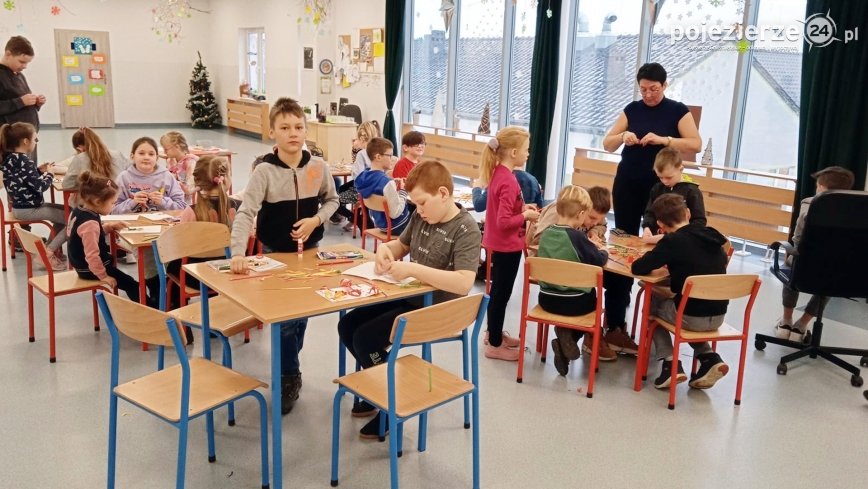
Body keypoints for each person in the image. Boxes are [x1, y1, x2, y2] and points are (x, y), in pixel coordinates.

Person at [336, 160, 481, 438]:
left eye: (423, 203)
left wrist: (411, 269)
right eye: (416, 204)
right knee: (348, 326)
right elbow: (401, 245)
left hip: (438, 309)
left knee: (366, 338)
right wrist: (385, 251)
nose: (419, 210)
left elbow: (463, 282)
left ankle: (392, 403)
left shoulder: (466, 229)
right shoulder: (421, 216)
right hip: (413, 295)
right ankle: (380, 385)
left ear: (443, 193)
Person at [228, 97, 339, 415]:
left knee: (299, 317)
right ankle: (289, 375)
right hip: (274, 255)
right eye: (285, 127)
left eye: (299, 127)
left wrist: (316, 220)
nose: (293, 133)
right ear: (272, 131)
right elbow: (246, 213)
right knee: (287, 321)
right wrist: (237, 253)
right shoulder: (263, 171)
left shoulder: (318, 168)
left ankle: (289, 366)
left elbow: (333, 199)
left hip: (310, 256)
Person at [600, 63, 702, 355]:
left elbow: (694, 143)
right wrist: (623, 137)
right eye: (643, 89)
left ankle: (654, 320)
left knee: (657, 247)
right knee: (623, 248)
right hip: (628, 185)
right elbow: (607, 143)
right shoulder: (632, 109)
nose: (648, 94)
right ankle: (615, 323)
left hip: (660, 192)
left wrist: (664, 140)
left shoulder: (677, 110)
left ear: (665, 85)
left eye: (654, 89)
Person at [630, 194, 730, 390]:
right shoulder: (713, 236)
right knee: (688, 308)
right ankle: (709, 356)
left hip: (691, 316)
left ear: (660, 224)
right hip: (718, 315)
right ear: (688, 213)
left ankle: (670, 364)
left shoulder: (673, 241)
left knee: (653, 304)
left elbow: (638, 267)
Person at [479, 126, 540, 361]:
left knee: (498, 293)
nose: (528, 153)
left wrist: (522, 209)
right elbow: (504, 221)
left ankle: (493, 334)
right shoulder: (508, 181)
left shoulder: (501, 174)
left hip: (500, 242)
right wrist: (525, 216)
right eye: (526, 149)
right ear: (513, 152)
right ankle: (494, 344)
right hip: (507, 245)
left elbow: (503, 211)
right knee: (500, 295)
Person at [773, 166, 855, 342]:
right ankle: (801, 326)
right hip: (841, 272)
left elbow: (798, 239)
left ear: (822, 187)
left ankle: (786, 322)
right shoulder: (857, 209)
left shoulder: (810, 203)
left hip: (806, 270)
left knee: (792, 261)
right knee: (830, 277)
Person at [538, 185, 609, 376]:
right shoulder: (577, 237)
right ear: (581, 214)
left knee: (576, 295)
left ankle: (563, 341)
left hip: (546, 300)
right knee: (593, 301)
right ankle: (567, 335)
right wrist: (602, 250)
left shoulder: (545, 235)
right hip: (574, 304)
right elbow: (598, 261)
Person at [113, 136, 187, 305]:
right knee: (148, 256)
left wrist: (163, 202)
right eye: (141, 153)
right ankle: (155, 291)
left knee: (172, 255)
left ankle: (169, 292)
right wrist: (131, 203)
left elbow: (182, 206)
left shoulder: (166, 177)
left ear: (157, 158)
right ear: (132, 156)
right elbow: (111, 209)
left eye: (151, 153)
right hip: (134, 232)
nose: (146, 157)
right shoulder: (124, 178)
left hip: (164, 230)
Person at [0, 122, 66, 271]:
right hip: (29, 209)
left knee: (67, 212)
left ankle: (49, 250)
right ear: (25, 141)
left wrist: (38, 171)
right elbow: (40, 187)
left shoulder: (10, 158)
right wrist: (50, 173)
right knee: (73, 220)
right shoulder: (25, 161)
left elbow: (23, 179)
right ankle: (47, 254)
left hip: (20, 207)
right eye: (35, 139)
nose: (36, 143)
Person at [66, 171, 139, 301]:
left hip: (81, 265)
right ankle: (151, 310)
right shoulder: (90, 224)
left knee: (128, 281)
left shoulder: (79, 210)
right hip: (90, 269)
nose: (114, 206)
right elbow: (92, 255)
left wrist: (109, 227)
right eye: (113, 203)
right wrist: (103, 276)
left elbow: (82, 237)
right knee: (132, 284)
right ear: (98, 202)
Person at [640, 147, 706, 244]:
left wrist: (676, 235)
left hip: (682, 243)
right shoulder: (657, 188)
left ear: (681, 169)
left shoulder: (692, 191)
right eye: (660, 177)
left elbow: (699, 221)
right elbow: (650, 213)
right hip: (656, 240)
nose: (665, 181)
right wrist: (647, 227)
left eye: (669, 177)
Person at [528, 185, 610, 255]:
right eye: (592, 218)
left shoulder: (594, 216)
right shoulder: (561, 211)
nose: (595, 223)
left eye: (598, 220)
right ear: (583, 210)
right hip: (544, 260)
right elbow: (538, 240)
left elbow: (602, 224)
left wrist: (594, 232)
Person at [353, 137, 411, 236]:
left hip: (381, 224)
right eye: (390, 155)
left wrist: (392, 184)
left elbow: (378, 185)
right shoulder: (386, 182)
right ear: (378, 157)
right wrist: (403, 191)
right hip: (398, 225)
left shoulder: (363, 176)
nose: (392, 158)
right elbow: (395, 213)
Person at [0, 36, 45, 163]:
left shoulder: (19, 75)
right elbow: (17, 102)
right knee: (16, 176)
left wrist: (36, 103)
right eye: (21, 61)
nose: (24, 66)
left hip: (27, 137)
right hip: (12, 141)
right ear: (8, 54)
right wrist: (21, 101)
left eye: (27, 63)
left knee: (29, 173)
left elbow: (22, 103)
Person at [333, 121, 380, 230]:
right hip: (376, 190)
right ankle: (361, 217)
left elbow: (357, 177)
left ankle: (354, 218)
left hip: (361, 192)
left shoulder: (362, 153)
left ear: (361, 138)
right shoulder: (379, 152)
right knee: (342, 188)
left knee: (333, 201)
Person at [61, 127, 130, 189]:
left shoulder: (80, 158)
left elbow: (67, 184)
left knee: (73, 199)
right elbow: (130, 171)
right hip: (118, 197)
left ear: (79, 147)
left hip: (93, 200)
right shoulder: (117, 154)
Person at [471, 169, 544, 212]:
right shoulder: (533, 179)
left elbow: (479, 205)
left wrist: (476, 187)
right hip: (527, 230)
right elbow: (540, 208)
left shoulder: (501, 180)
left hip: (505, 232)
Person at [160, 131, 198, 204]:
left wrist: (172, 180)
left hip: (187, 204)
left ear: (177, 147)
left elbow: (189, 190)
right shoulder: (171, 160)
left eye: (166, 149)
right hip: (171, 201)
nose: (164, 152)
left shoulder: (190, 162)